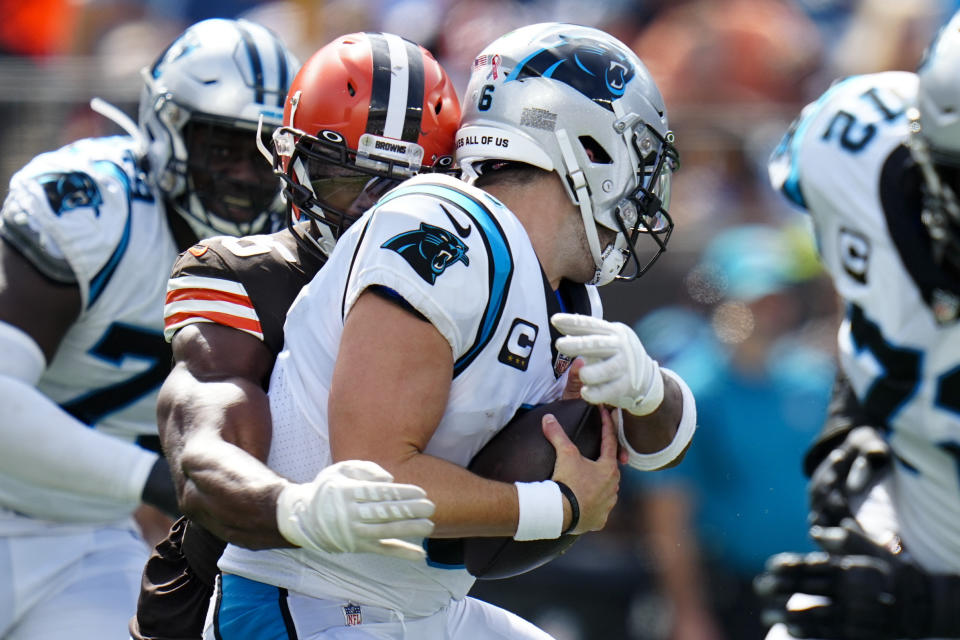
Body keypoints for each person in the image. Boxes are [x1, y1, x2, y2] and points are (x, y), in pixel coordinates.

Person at [211, 22, 698, 640]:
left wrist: (649, 390)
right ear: (589, 148)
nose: (646, 192)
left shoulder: (559, 285)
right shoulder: (444, 233)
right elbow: (375, 475)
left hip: (418, 608)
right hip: (315, 602)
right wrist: (554, 507)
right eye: (640, 157)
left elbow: (662, 448)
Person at [131, 31, 462, 640]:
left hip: (408, 602)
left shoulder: (470, 285)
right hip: (238, 593)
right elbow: (204, 455)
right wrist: (299, 510)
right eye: (346, 182)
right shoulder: (243, 274)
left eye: (399, 193)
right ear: (291, 159)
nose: (369, 215)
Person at [0, 17, 298, 640]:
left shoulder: (288, 254)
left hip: (84, 537)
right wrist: (165, 480)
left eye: (264, 152)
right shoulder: (93, 207)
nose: (246, 174)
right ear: (167, 127)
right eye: (223, 146)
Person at [755, 10, 960, 640]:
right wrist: (849, 427)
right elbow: (874, 298)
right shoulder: (850, 143)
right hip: (895, 529)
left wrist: (929, 605)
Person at [633, 224, 836, 640]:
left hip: (819, 590)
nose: (771, 311)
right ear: (721, 299)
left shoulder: (814, 381)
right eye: (756, 299)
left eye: (777, 298)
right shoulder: (688, 393)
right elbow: (668, 514)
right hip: (735, 597)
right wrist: (688, 613)